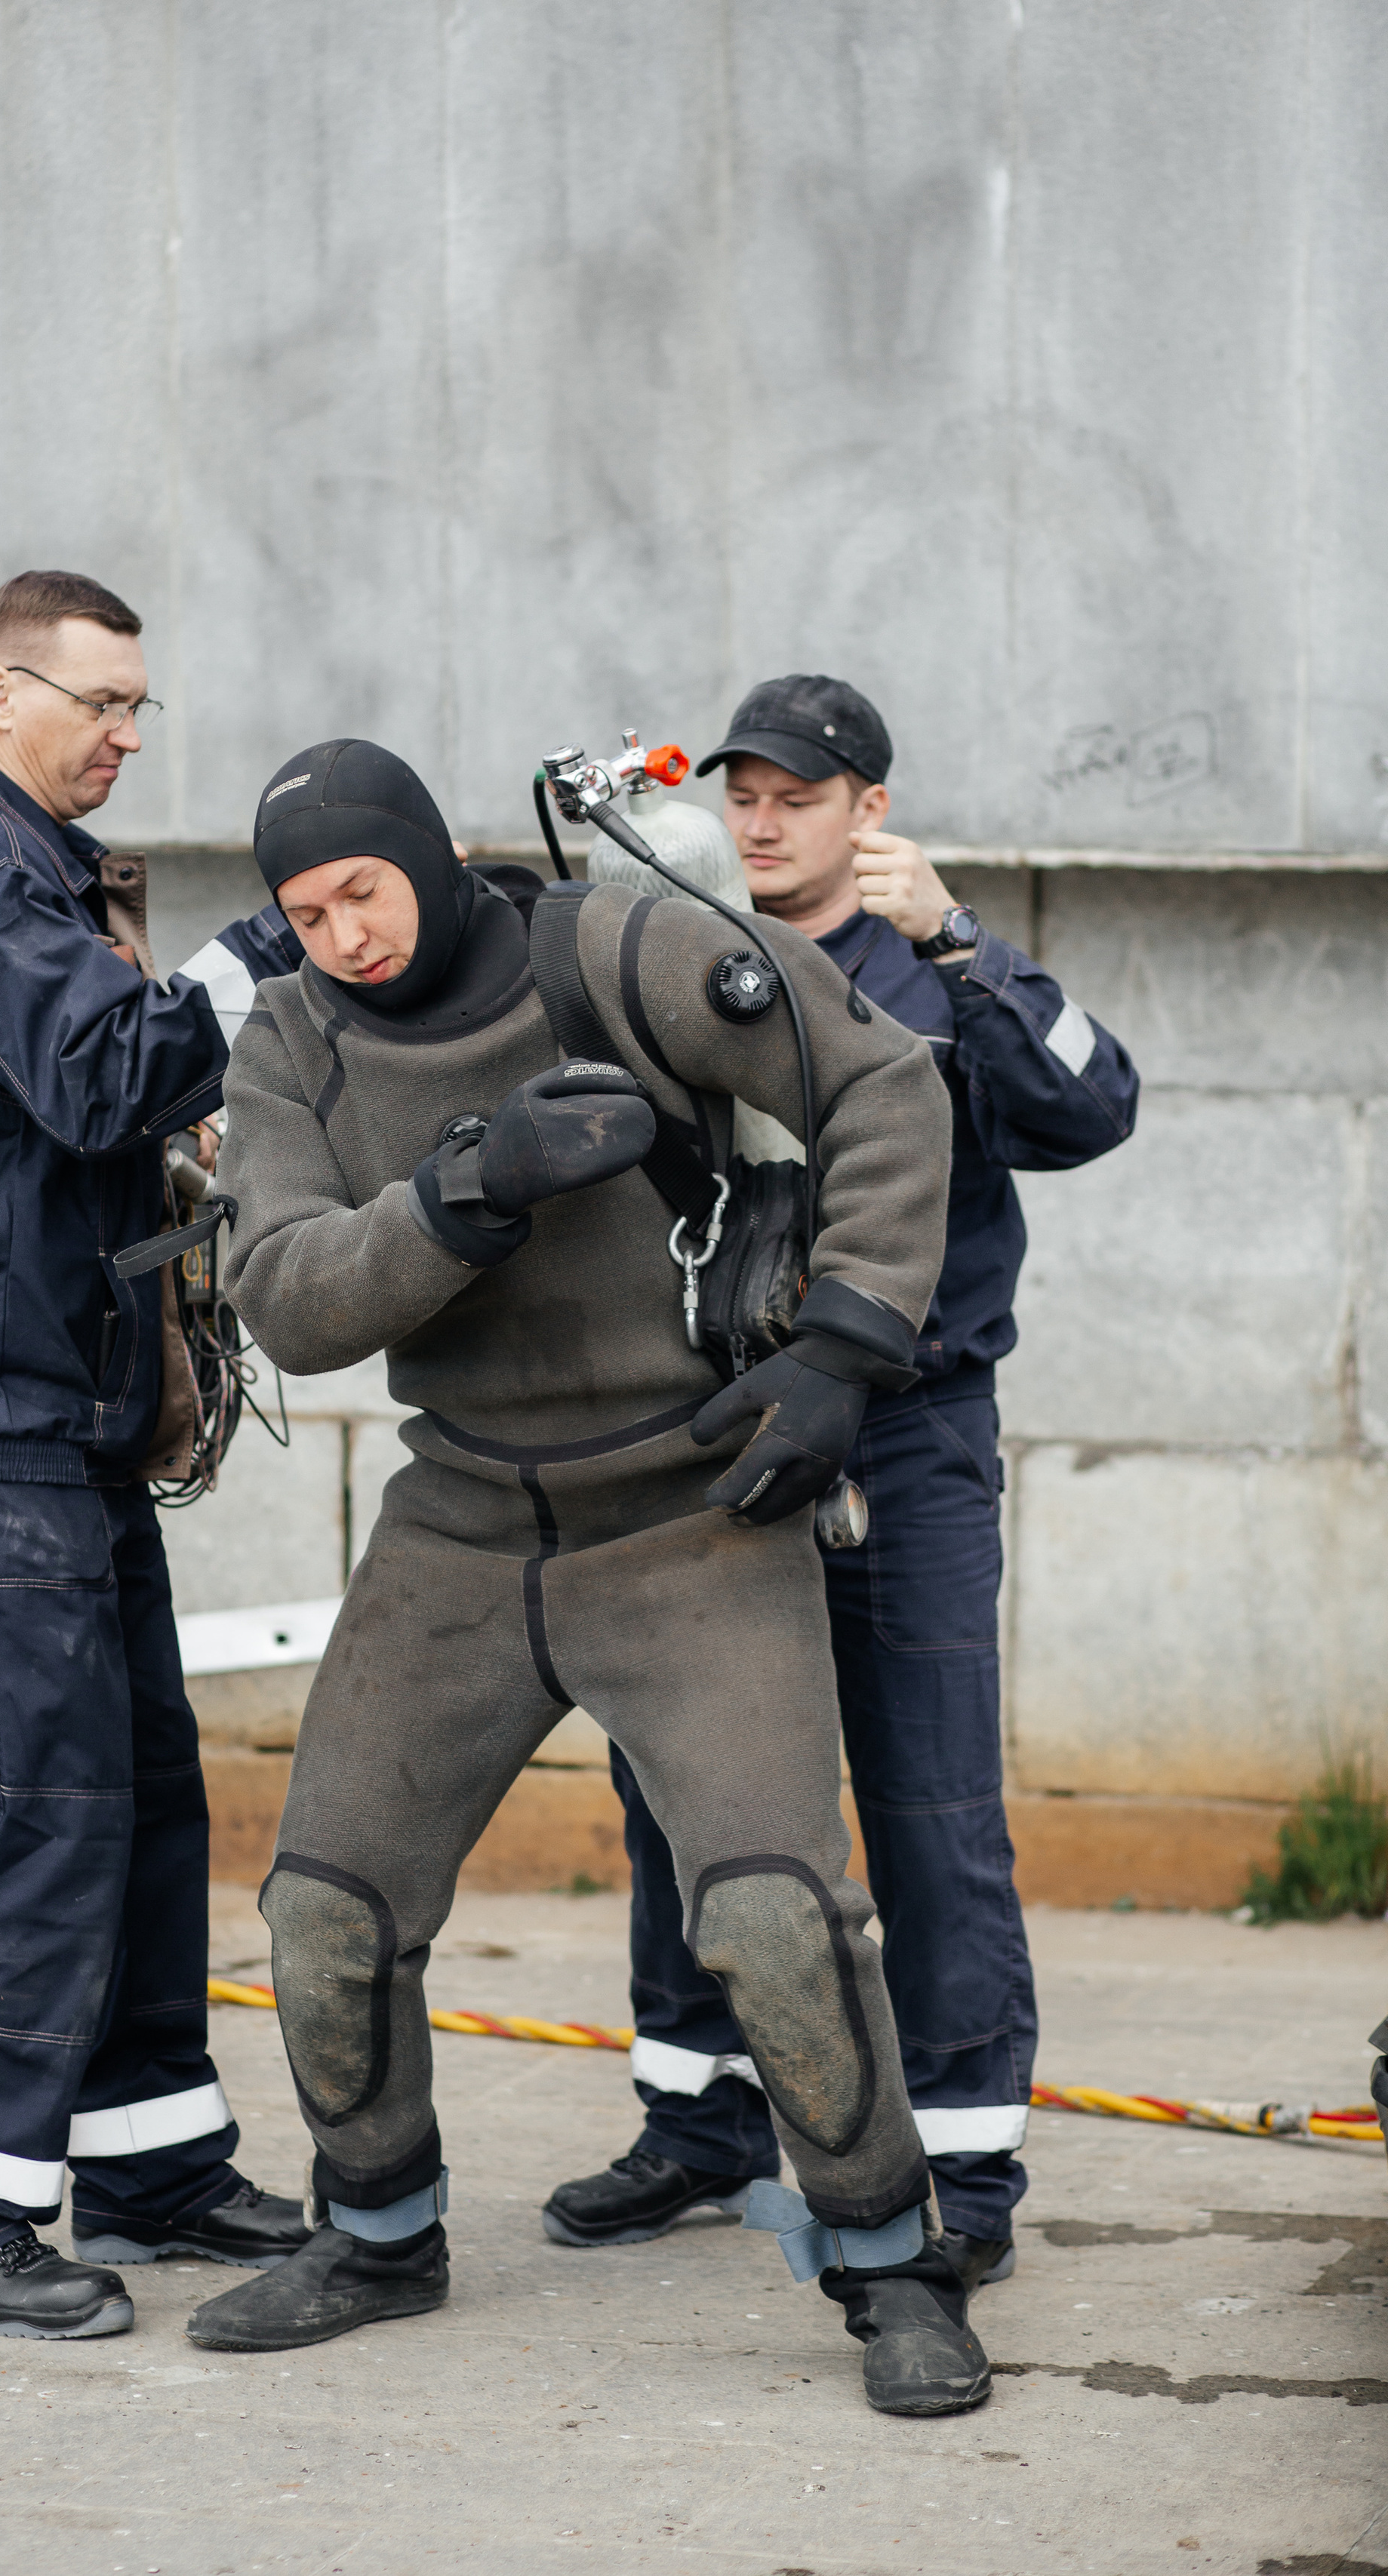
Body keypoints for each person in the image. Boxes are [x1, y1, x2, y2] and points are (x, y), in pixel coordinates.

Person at [183, 735, 1003, 2418]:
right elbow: (285, 1296)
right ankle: (377, 2230)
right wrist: (457, 1195)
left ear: (421, 853)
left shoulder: (612, 947)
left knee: (776, 1918)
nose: (340, 932)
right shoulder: (288, 1041)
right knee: (324, 1912)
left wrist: (847, 1346)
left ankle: (887, 2266)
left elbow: (885, 1086)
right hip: (462, 1521)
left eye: (361, 889)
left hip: (691, 1512)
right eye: (302, 909)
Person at [545, 674, 1139, 2291]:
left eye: (796, 795)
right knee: (683, 1784)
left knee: (926, 1801)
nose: (758, 819)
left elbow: (1092, 1102)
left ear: (867, 810)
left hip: (905, 1436)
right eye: (740, 790)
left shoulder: (927, 973)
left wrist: (960, 941)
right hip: (713, 1428)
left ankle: (962, 2174)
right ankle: (699, 2118)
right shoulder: (679, 949)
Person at [0, 569, 309, 2340]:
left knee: (139, 1797)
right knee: (45, 1821)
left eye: (135, 709)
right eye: (99, 705)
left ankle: (152, 2155)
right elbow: (107, 1077)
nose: (122, 737)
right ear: (2, 693)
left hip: (53, 1432)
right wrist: (260, 957)